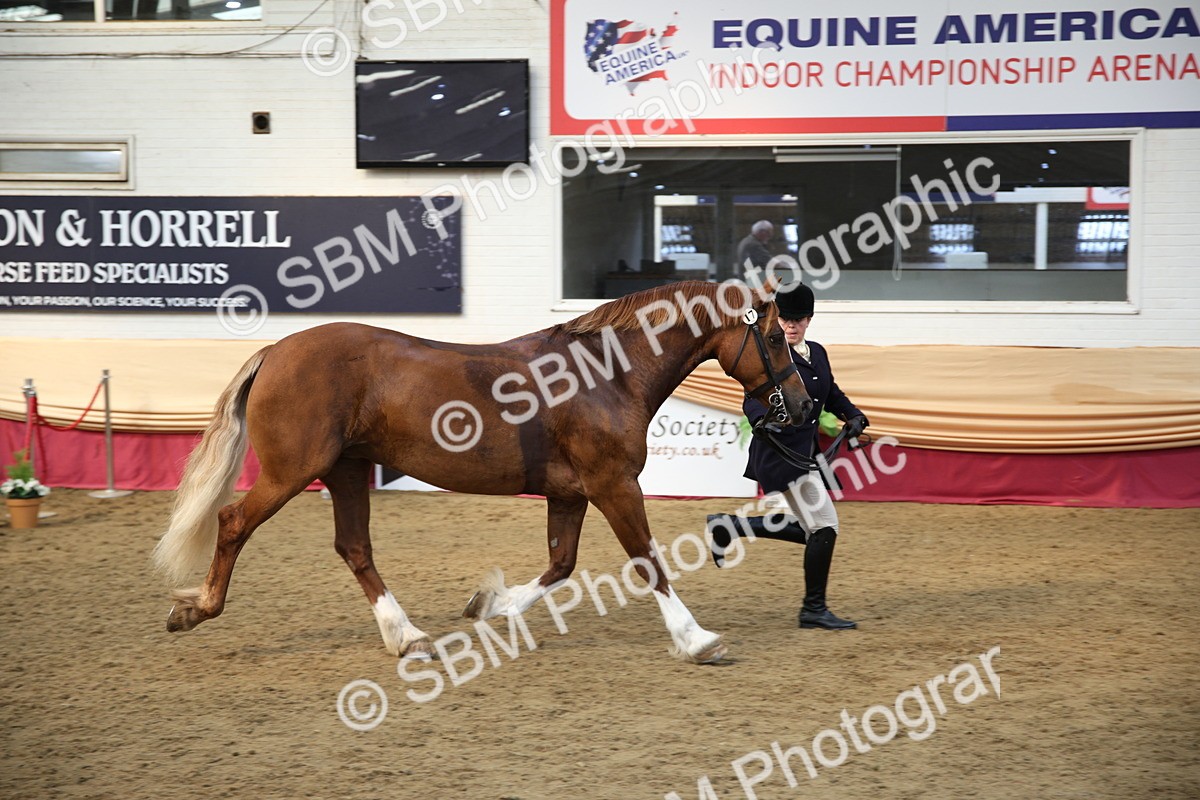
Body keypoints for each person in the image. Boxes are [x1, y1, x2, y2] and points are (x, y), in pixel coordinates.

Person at [706, 282, 868, 630]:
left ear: (809, 320)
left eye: (799, 320)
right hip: (780, 453)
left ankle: (730, 526)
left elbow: (832, 392)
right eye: (786, 320)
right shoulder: (770, 353)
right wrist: (762, 420)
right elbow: (753, 396)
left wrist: (852, 414)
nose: (791, 326)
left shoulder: (817, 352)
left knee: (813, 529)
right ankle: (813, 609)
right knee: (824, 526)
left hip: (804, 454)